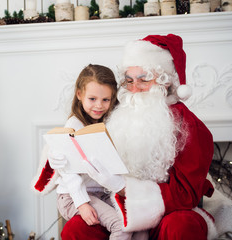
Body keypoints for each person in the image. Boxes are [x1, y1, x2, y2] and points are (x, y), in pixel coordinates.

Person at [57, 34, 218, 240]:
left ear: (164, 81)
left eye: (143, 80)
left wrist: (125, 190)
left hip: (167, 213)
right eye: (129, 80)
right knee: (77, 228)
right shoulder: (118, 113)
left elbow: (186, 195)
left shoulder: (189, 125)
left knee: (181, 226)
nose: (134, 88)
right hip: (115, 209)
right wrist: (59, 157)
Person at [32, 64, 132, 240]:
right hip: (73, 195)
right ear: (79, 95)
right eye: (92, 99)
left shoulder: (111, 122)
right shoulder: (74, 125)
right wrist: (82, 203)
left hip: (102, 194)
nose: (99, 106)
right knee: (121, 226)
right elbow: (67, 172)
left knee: (133, 221)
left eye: (105, 100)